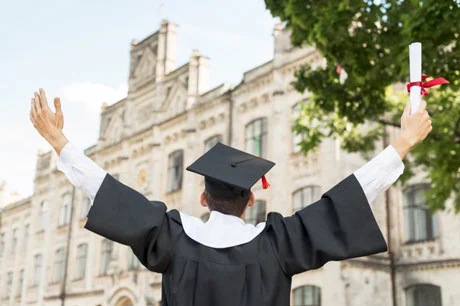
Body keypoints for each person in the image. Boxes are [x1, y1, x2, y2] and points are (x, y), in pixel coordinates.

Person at [29, 88, 432, 306]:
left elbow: (107, 190)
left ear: (203, 200)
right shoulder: (279, 244)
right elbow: (345, 198)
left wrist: (59, 142)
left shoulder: (171, 238)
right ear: (251, 199)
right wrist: (402, 142)